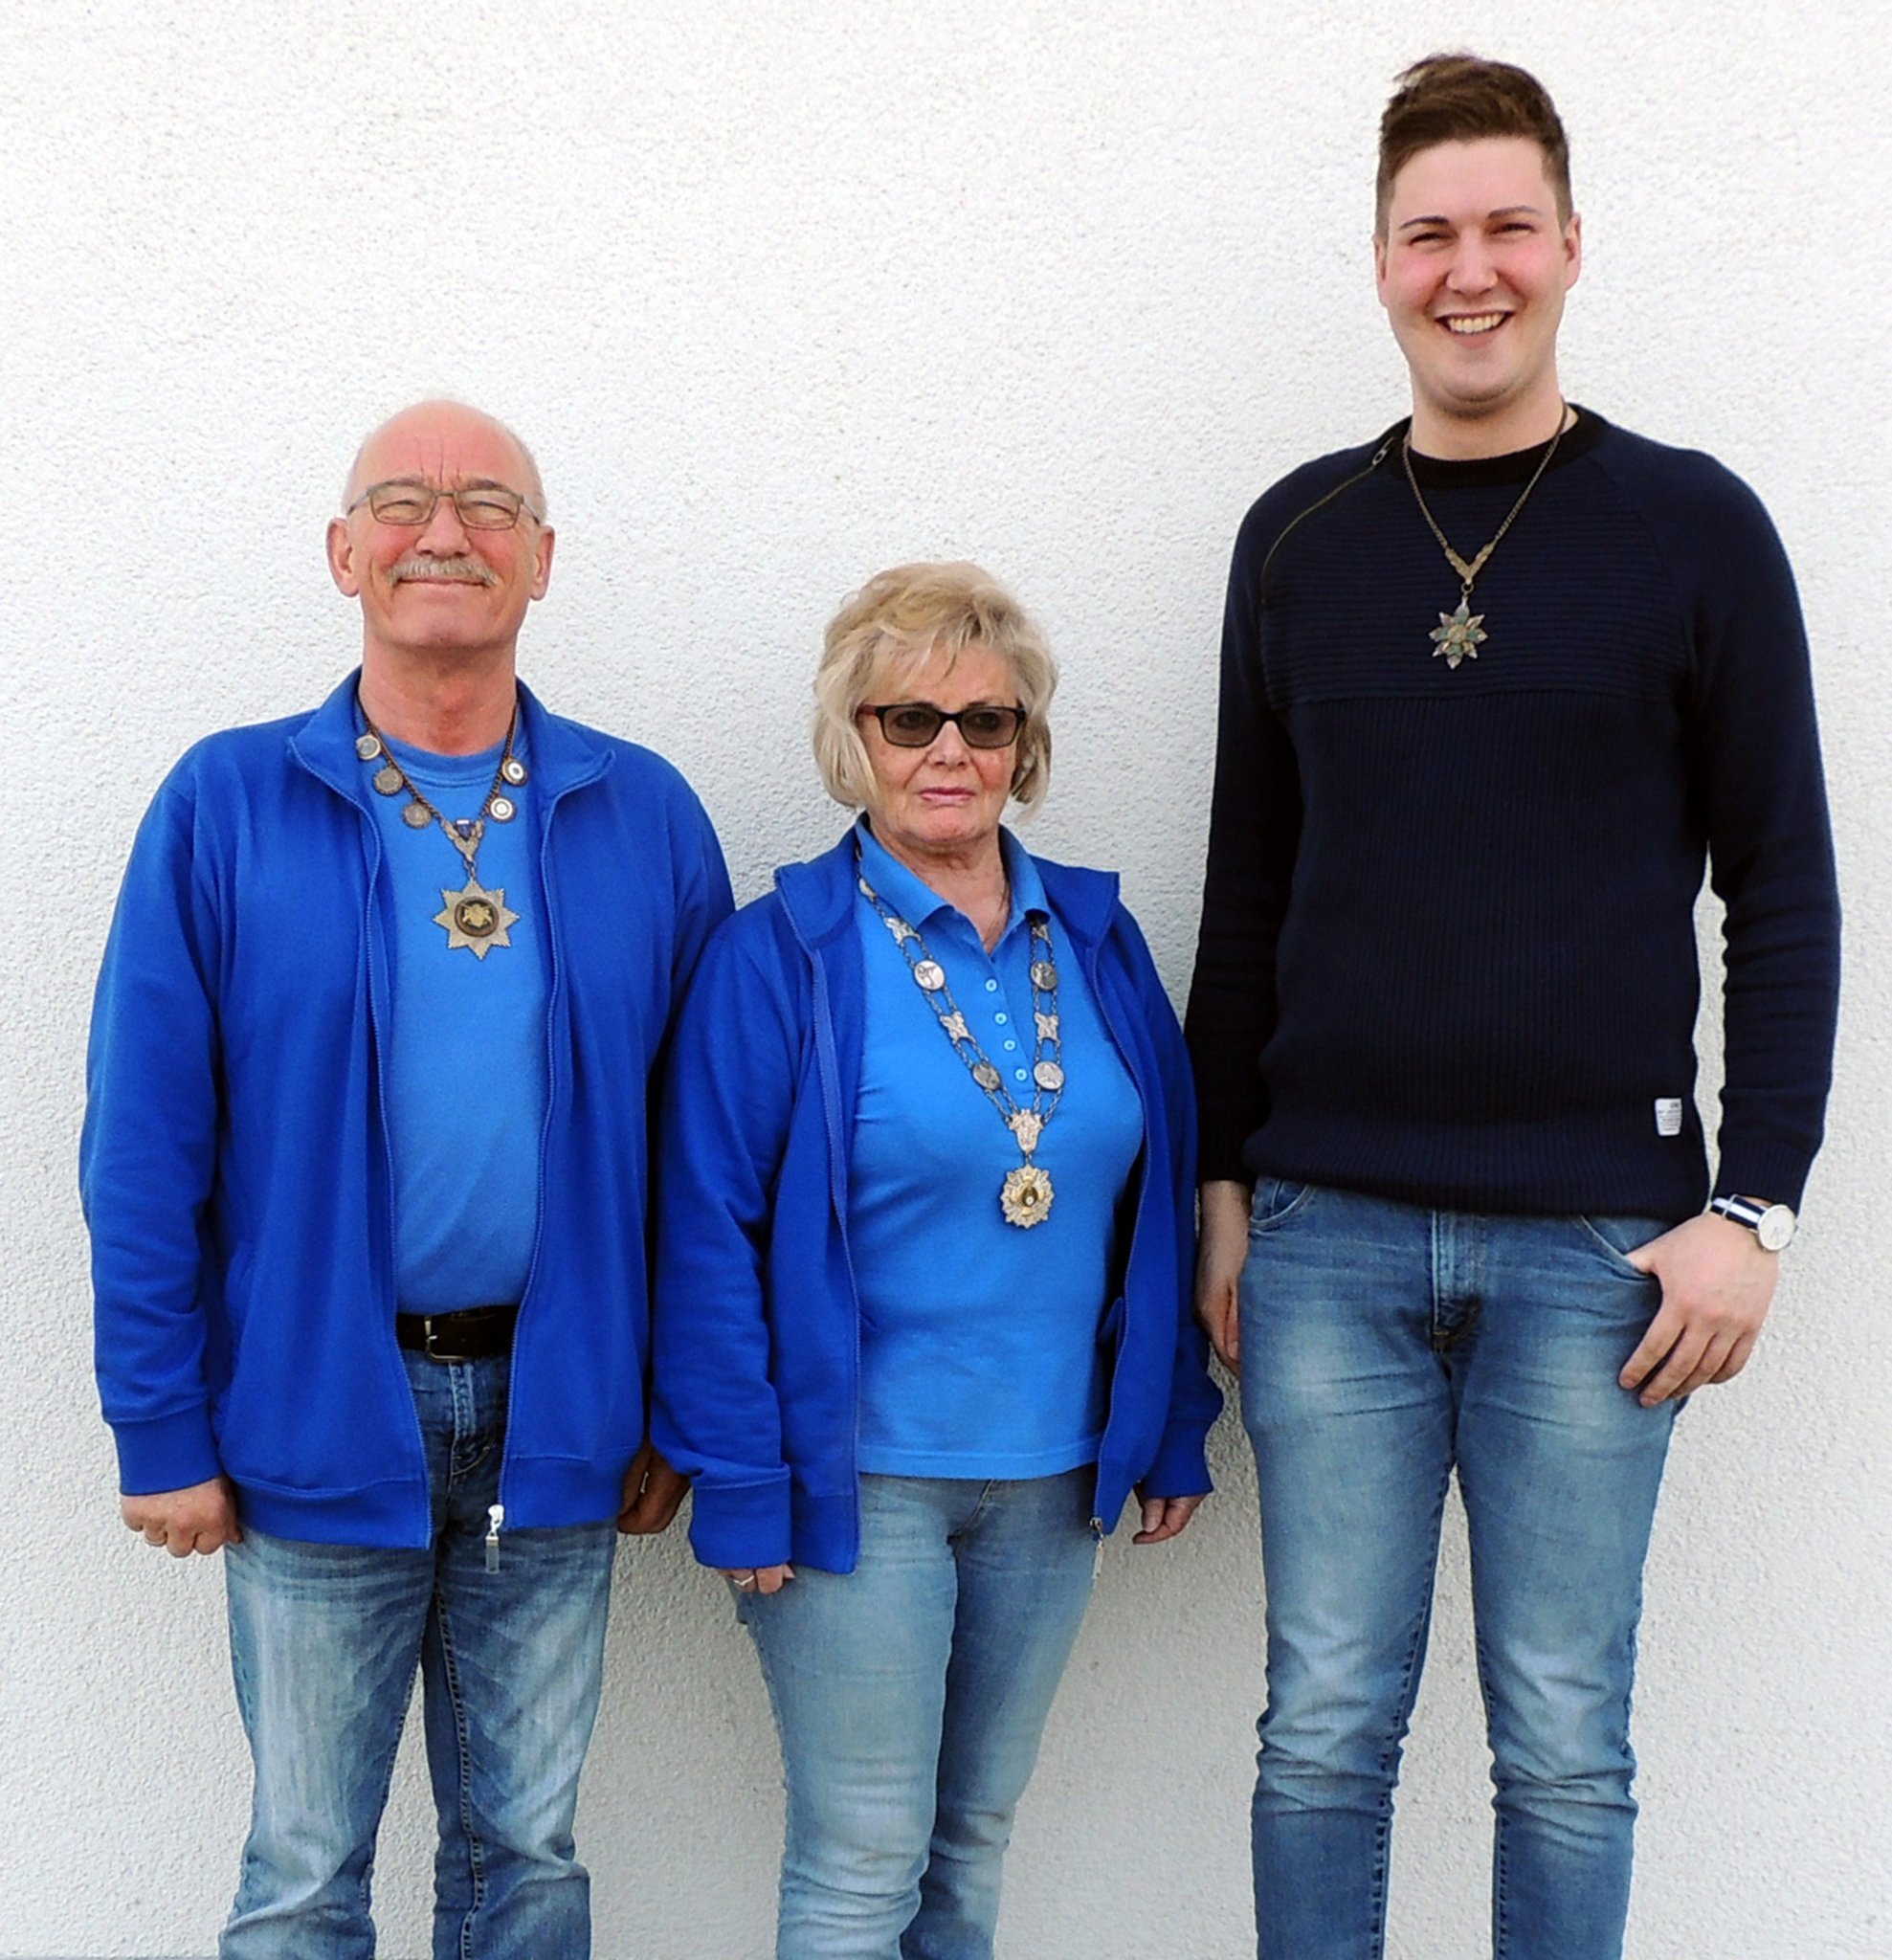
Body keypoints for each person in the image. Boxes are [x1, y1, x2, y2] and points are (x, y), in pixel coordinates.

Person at [1186, 55, 1839, 1960]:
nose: (1465, 271)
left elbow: (1781, 890)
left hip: (1597, 1254)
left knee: (1561, 1742)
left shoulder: (1688, 529)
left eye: (1502, 229)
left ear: (1566, 245)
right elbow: (1246, 892)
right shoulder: (1296, 539)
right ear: (1379, 261)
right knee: (1321, 1728)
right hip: (1325, 1240)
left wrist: (1753, 1207)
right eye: (1426, 235)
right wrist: (1221, 1188)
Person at [81, 399, 732, 1960]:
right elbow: (142, 1144)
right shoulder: (226, 804)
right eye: (403, 501)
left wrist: (684, 1403)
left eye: (488, 504)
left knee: (527, 1859)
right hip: (317, 1408)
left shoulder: (641, 813)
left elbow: (706, 1153)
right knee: (304, 1873)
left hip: (562, 1417)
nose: (445, 532)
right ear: (343, 551)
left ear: (542, 559)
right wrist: (158, 1425)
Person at [654, 561, 1221, 1958]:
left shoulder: (1096, 939)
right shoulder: (781, 954)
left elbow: (1156, 1203)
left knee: (970, 1845)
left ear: (1026, 744)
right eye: (909, 719)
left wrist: (1172, 1422)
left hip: (1052, 1479)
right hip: (861, 1483)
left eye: (986, 719)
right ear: (855, 739)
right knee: (863, 1859)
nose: (949, 749)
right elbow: (706, 1230)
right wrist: (740, 1480)